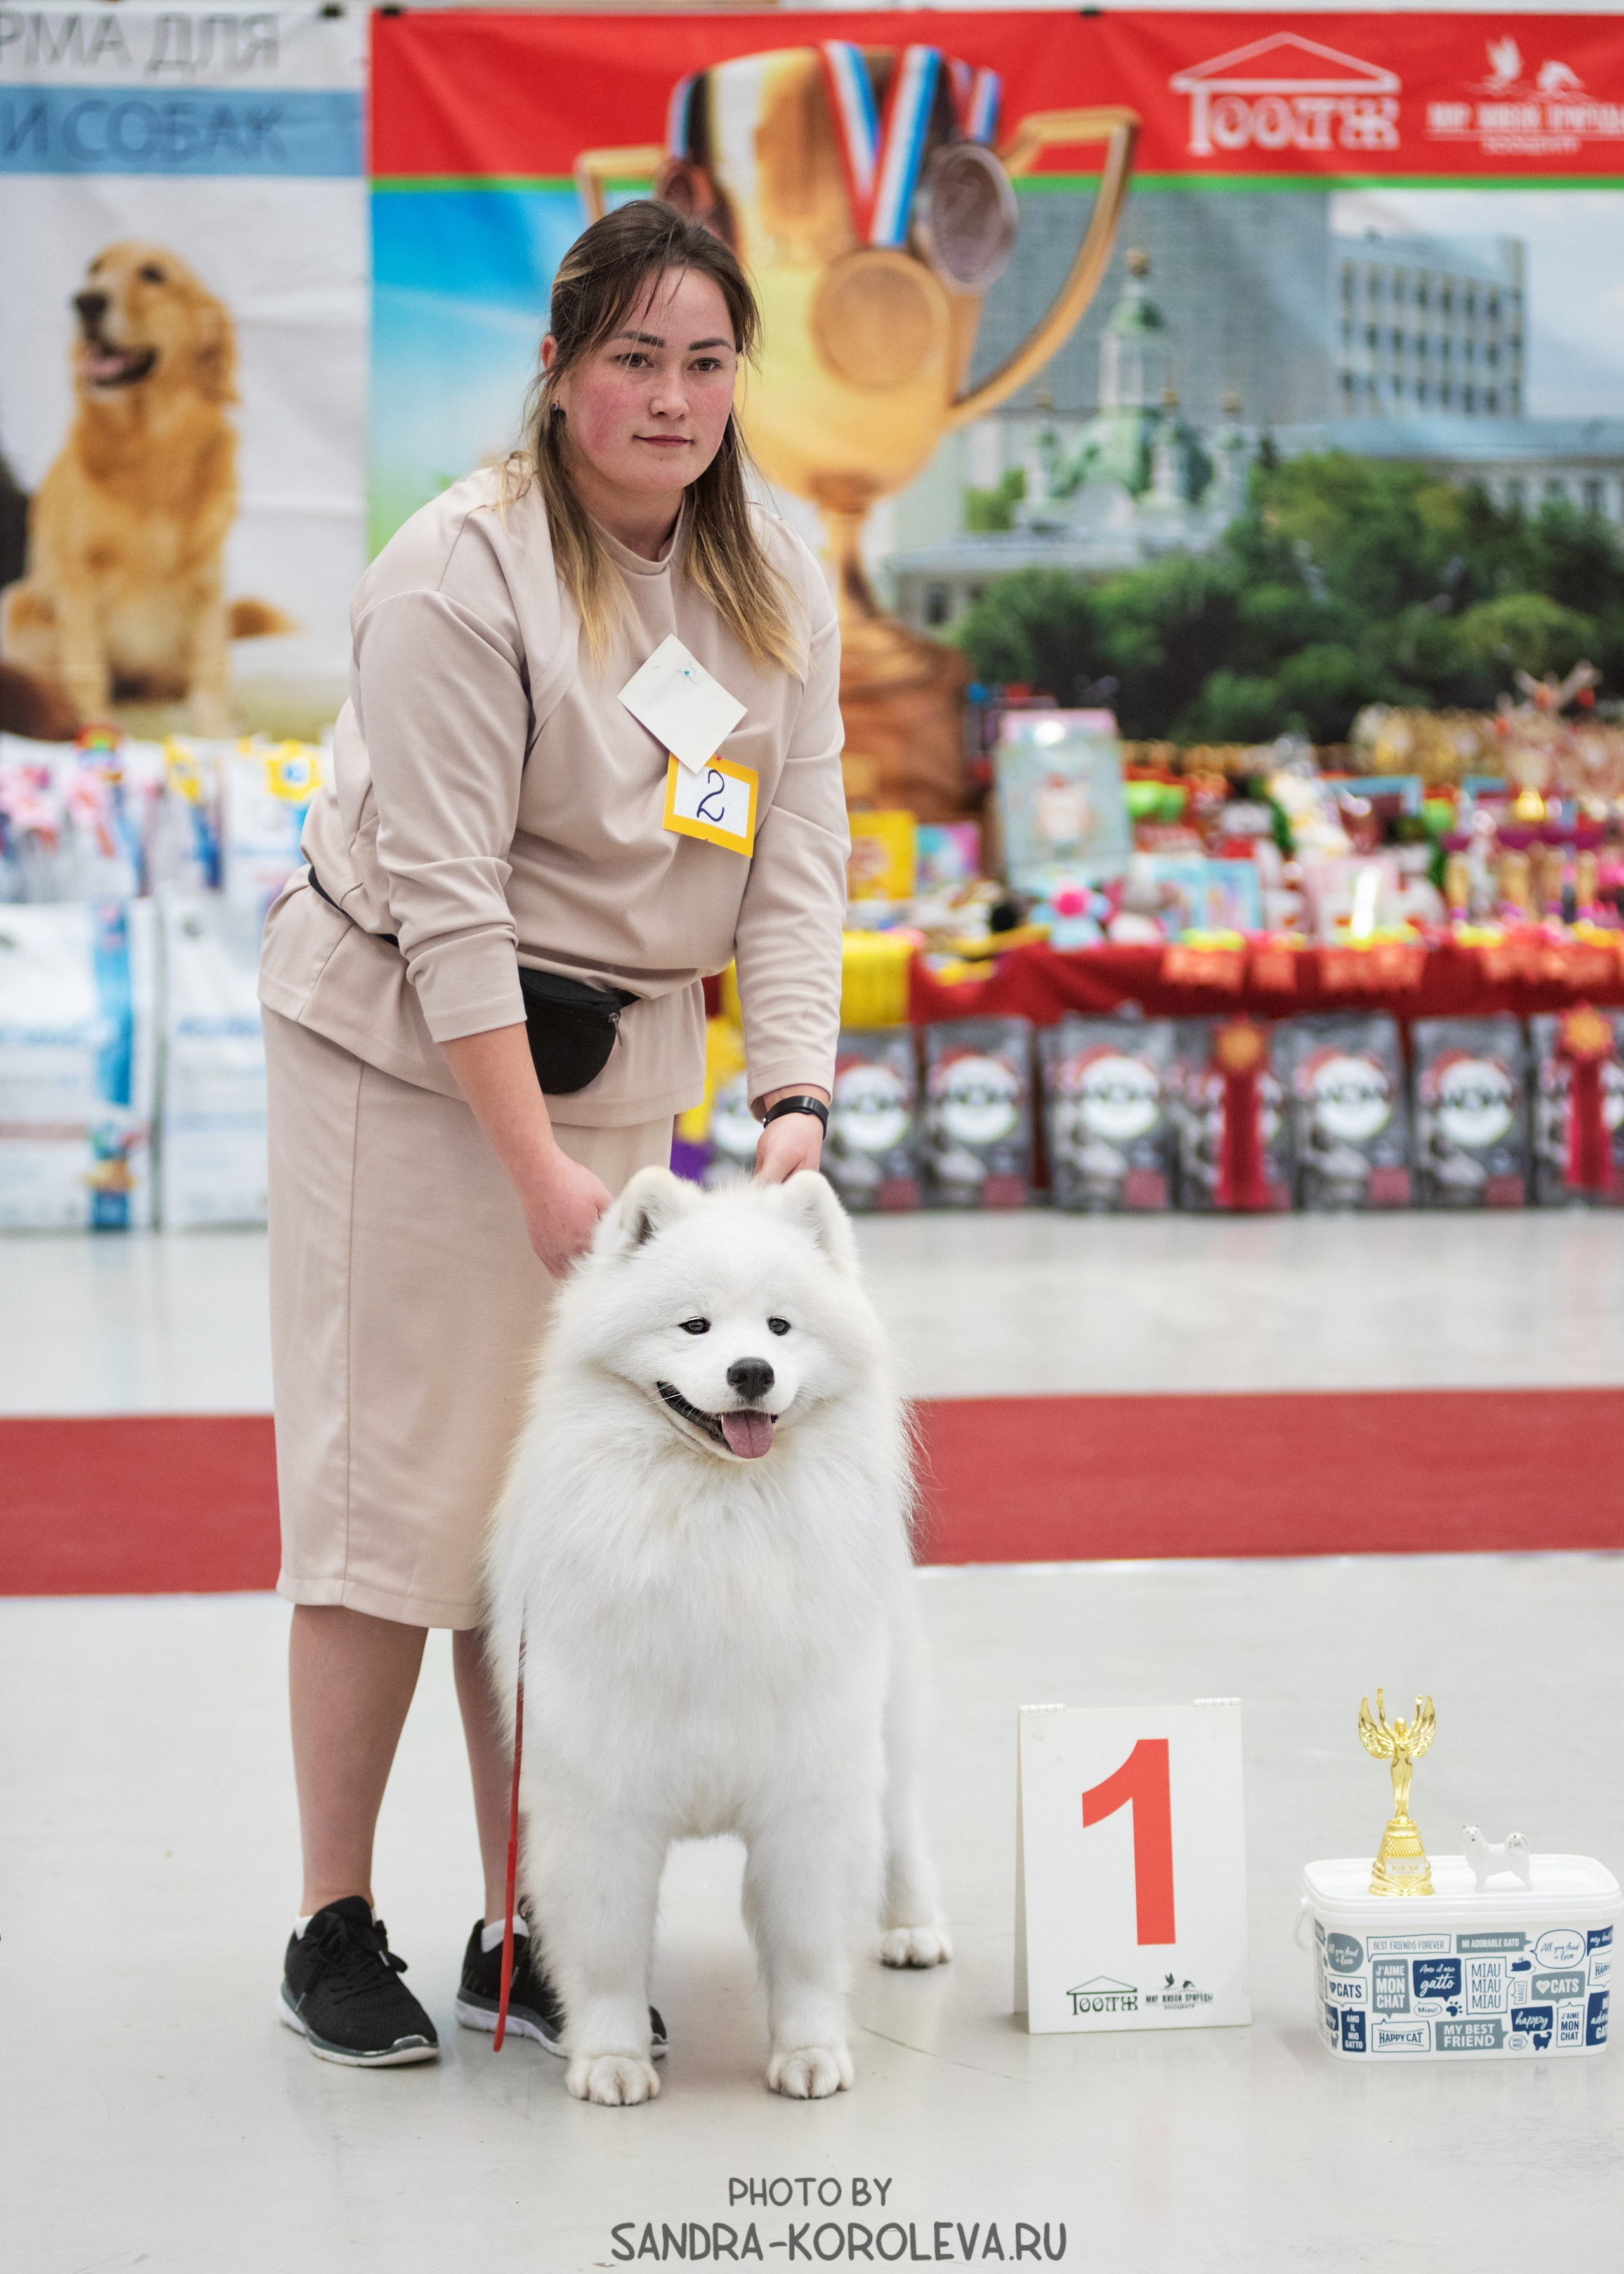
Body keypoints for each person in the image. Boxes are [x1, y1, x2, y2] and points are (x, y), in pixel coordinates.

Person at [259, 202, 848, 2067]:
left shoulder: (773, 578)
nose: (670, 400)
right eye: (632, 360)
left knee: (581, 1524)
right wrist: (534, 1173)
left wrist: (795, 1100)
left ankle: (534, 1920)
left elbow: (797, 859)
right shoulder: (459, 572)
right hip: (413, 1069)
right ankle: (330, 1921)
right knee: (399, 1508)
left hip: (629, 1088)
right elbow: (440, 896)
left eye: (703, 362)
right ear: (561, 369)